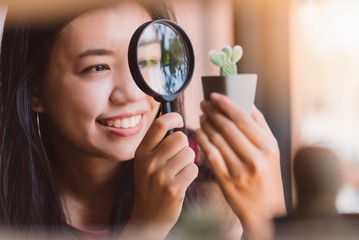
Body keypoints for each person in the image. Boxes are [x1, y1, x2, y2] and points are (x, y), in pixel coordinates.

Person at [0, 0, 285, 239]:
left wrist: (267, 215)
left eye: (148, 61)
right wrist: (147, 225)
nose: (132, 93)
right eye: (97, 67)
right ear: (34, 90)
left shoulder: (211, 181)